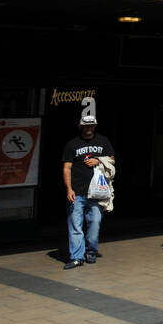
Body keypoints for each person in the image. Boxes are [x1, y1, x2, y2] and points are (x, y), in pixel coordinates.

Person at [61, 115, 114, 269]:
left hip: (97, 192)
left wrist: (98, 161)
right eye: (86, 126)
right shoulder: (72, 144)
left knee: (95, 222)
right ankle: (77, 257)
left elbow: (112, 159)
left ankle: (90, 250)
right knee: (75, 225)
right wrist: (69, 189)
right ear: (81, 127)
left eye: (91, 125)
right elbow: (67, 168)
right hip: (77, 191)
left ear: (95, 126)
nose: (89, 128)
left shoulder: (103, 141)